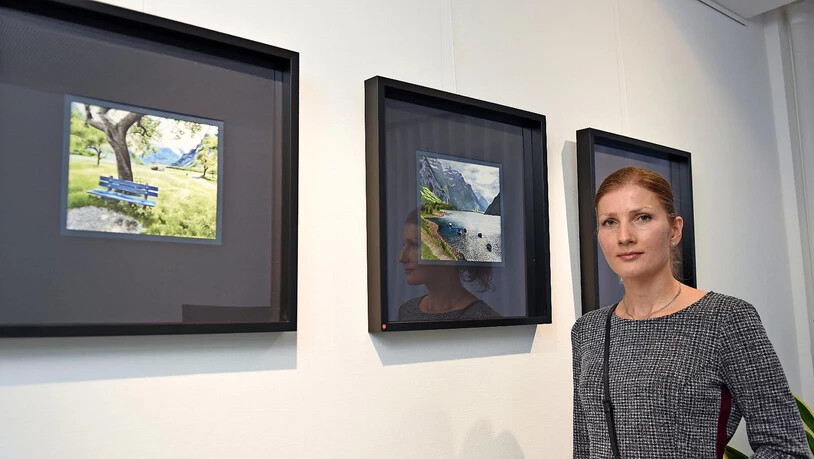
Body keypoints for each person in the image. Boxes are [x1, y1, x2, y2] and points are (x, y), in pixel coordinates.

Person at [571, 166, 807, 458]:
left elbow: (785, 447)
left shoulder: (726, 318)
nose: (624, 236)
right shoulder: (588, 329)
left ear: (674, 230)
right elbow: (584, 445)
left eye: (642, 217)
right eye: (609, 222)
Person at [398, 209, 500, 321]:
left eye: (414, 245)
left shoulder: (483, 318)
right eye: (404, 244)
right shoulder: (406, 310)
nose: (402, 258)